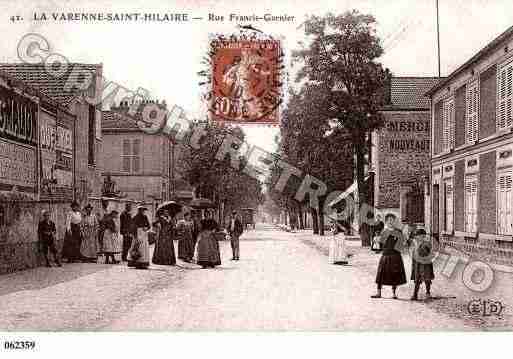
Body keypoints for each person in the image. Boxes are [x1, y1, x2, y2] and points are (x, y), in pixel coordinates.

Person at [371, 213, 407, 299]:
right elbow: (379, 244)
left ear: (394, 221)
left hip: (395, 255)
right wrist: (376, 240)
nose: (390, 222)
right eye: (388, 220)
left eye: (392, 220)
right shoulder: (383, 231)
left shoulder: (398, 231)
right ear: (386, 222)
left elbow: (402, 244)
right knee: (380, 273)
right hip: (386, 255)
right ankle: (378, 292)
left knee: (394, 274)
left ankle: (394, 293)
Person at [409, 228, 435, 300]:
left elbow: (431, 254)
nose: (418, 237)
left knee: (427, 278)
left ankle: (428, 293)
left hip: (426, 264)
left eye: (421, 236)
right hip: (417, 264)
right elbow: (413, 254)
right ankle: (415, 294)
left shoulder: (427, 243)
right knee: (417, 279)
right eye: (417, 236)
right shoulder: (415, 244)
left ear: (423, 236)